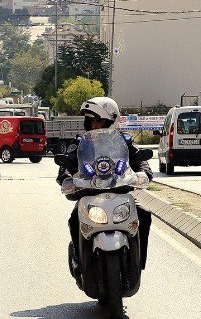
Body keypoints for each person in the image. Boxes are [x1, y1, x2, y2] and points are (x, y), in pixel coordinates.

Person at [57, 96, 153, 269]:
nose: (94, 125)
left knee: (144, 214)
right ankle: (78, 260)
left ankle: (139, 261)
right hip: (89, 194)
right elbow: (67, 163)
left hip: (119, 192)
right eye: (90, 121)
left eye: (99, 121)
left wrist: (144, 172)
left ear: (112, 120)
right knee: (74, 219)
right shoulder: (79, 143)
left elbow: (139, 159)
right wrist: (65, 178)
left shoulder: (124, 141)